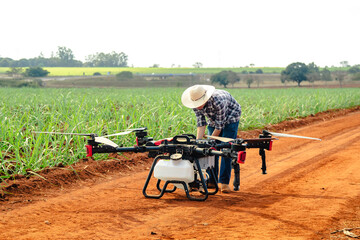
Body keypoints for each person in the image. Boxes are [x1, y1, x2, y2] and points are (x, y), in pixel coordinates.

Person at [181, 85, 241, 193]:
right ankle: (212, 181)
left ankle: (224, 182)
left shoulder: (218, 101)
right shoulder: (195, 104)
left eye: (199, 103)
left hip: (231, 117)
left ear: (205, 98)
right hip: (214, 120)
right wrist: (198, 143)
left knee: (226, 149)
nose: (197, 106)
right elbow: (201, 124)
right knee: (209, 150)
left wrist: (211, 140)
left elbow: (219, 126)